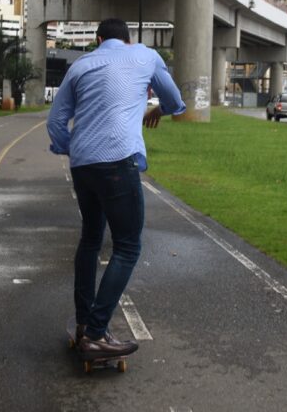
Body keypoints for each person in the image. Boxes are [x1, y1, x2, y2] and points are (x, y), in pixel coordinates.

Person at [47, 18, 187, 361]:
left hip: (82, 164)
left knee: (91, 239)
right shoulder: (146, 55)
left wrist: (73, 147)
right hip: (117, 161)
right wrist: (158, 108)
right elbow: (174, 100)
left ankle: (83, 324)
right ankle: (95, 334)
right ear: (128, 40)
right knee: (127, 247)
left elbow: (55, 122)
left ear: (98, 40)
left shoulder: (81, 65)